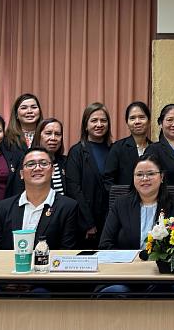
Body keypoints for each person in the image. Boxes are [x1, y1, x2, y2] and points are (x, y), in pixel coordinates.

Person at [0, 147, 79, 250]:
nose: (37, 168)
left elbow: (66, 252)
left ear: (53, 171)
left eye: (43, 163)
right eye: (31, 164)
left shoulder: (68, 207)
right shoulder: (3, 207)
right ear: (21, 174)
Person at [99, 155, 174, 250]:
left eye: (151, 174)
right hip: (129, 259)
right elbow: (105, 244)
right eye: (139, 175)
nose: (145, 178)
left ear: (162, 177)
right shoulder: (120, 204)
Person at [65, 103, 112, 247]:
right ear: (86, 125)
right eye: (94, 120)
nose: (99, 124)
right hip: (87, 224)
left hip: (111, 219)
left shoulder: (115, 150)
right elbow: (74, 190)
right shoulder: (76, 152)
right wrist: (88, 223)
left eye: (103, 120)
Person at [103, 102, 153, 188]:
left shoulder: (155, 149)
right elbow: (108, 180)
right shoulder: (118, 148)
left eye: (142, 117)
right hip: (123, 196)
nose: (137, 122)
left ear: (149, 121)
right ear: (127, 122)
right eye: (132, 118)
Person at [29, 118, 67, 195]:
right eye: (48, 133)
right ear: (39, 136)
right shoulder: (28, 162)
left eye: (57, 134)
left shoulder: (66, 162)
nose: (53, 138)